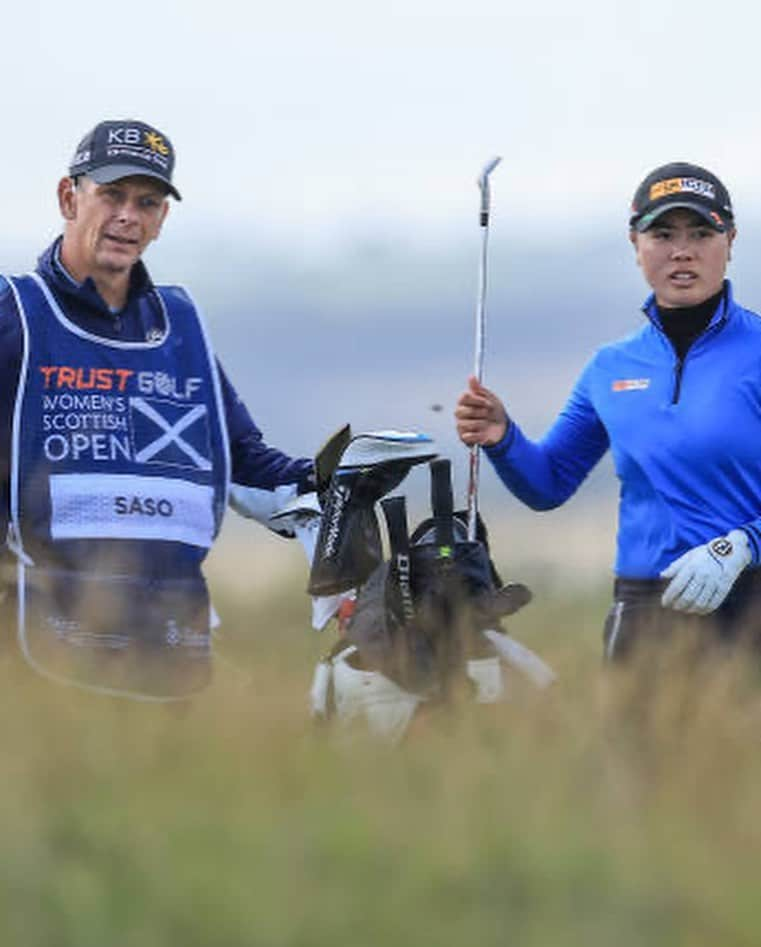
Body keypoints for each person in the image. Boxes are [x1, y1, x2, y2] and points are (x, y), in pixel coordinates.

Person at [0, 119, 314, 699]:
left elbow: (244, 458)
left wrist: (338, 476)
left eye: (147, 202)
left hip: (171, 651)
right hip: (38, 653)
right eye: (112, 195)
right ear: (70, 197)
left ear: (162, 219)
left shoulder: (180, 327)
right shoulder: (16, 311)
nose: (128, 217)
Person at [455, 161, 761, 662]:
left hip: (750, 601)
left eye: (702, 232)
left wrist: (743, 545)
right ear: (636, 245)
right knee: (636, 745)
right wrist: (503, 438)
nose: (682, 250)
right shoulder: (610, 368)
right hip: (644, 612)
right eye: (662, 233)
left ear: (730, 241)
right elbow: (548, 483)